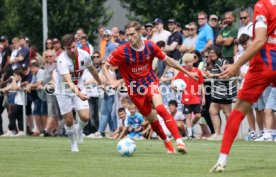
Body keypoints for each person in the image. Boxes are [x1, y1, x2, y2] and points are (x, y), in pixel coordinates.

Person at [102, 21, 198, 154]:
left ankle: (180, 141)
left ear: (140, 32)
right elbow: (105, 66)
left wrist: (187, 72)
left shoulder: (150, 46)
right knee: (152, 119)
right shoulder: (122, 51)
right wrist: (112, 81)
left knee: (160, 108)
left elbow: (168, 60)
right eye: (128, 35)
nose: (130, 38)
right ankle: (167, 144)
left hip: (150, 82)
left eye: (132, 34)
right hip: (135, 90)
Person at [210, 0, 276, 172]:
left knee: (238, 110)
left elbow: (260, 40)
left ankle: (222, 160)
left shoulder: (263, 5)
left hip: (265, 64)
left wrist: (236, 65)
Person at [56, 34, 102, 152]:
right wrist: (80, 94)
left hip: (79, 86)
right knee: (69, 120)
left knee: (85, 117)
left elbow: (92, 69)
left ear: (76, 42)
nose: (71, 50)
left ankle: (79, 130)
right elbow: (69, 82)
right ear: (64, 48)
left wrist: (100, 82)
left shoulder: (84, 55)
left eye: (73, 47)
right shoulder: (61, 60)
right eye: (68, 48)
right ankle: (73, 144)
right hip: (63, 90)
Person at [172, 53, 205, 139]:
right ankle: (190, 134)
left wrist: (203, 97)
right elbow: (175, 80)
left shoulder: (197, 71)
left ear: (193, 61)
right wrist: (173, 86)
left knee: (198, 115)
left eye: (189, 62)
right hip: (186, 98)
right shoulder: (182, 71)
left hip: (196, 97)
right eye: (186, 62)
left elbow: (201, 84)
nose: (188, 64)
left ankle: (189, 127)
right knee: (188, 116)